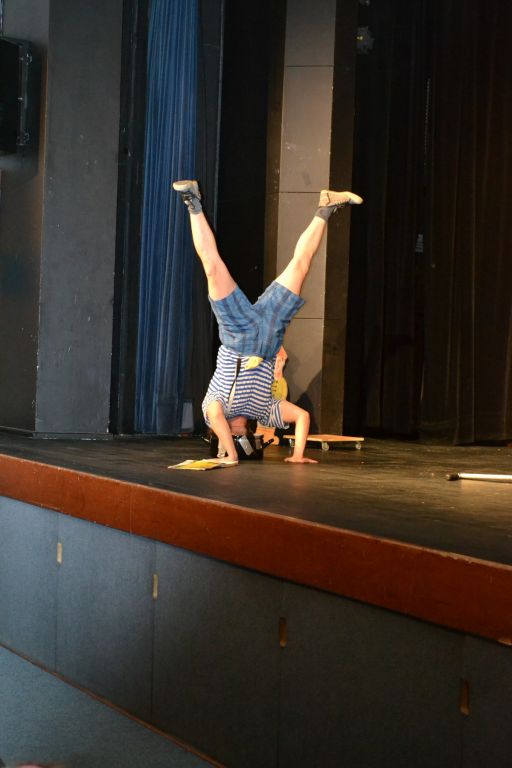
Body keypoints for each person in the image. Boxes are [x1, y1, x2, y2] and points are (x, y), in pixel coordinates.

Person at [173, 180, 363, 465]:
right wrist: (297, 455)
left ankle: (192, 202)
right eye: (241, 440)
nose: (239, 436)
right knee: (301, 265)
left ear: (219, 436)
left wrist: (231, 456)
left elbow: (215, 416)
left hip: (237, 334)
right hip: (270, 333)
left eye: (233, 439)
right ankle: (326, 207)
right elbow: (302, 416)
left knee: (212, 267)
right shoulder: (263, 411)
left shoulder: (215, 407)